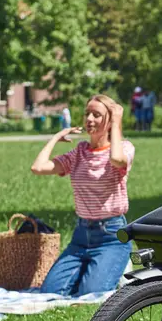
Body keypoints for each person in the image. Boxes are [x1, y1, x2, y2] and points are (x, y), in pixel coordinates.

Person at [30, 95, 134, 296]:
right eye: (87, 114)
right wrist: (55, 137)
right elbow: (38, 167)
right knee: (49, 293)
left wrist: (117, 121)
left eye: (97, 115)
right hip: (81, 236)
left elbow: (116, 159)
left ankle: (117, 266)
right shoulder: (79, 153)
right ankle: (97, 270)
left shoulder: (124, 148)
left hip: (111, 236)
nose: (90, 119)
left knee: (90, 295)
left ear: (109, 119)